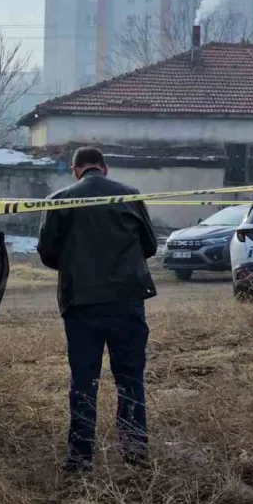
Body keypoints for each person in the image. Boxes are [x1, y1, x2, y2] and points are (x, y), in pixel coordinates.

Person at [36, 147, 158, 472]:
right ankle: (135, 454)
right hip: (126, 300)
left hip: (81, 303)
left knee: (84, 380)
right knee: (130, 378)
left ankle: (80, 459)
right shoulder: (129, 196)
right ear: (104, 168)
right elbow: (150, 245)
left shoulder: (59, 200)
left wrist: (77, 261)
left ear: (75, 170)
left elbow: (47, 253)